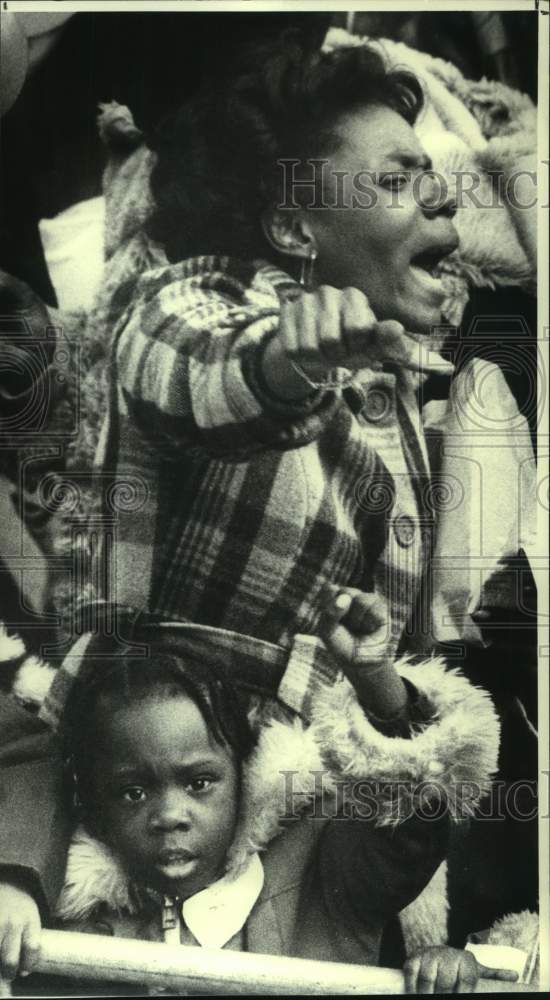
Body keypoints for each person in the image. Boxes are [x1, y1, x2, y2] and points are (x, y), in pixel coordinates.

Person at [0, 592, 514, 993]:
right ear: (94, 808)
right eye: (133, 792)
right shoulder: (72, 926)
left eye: (199, 783)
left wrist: (376, 680)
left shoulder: (321, 874)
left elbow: (408, 822)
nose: (170, 814)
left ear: (243, 776)